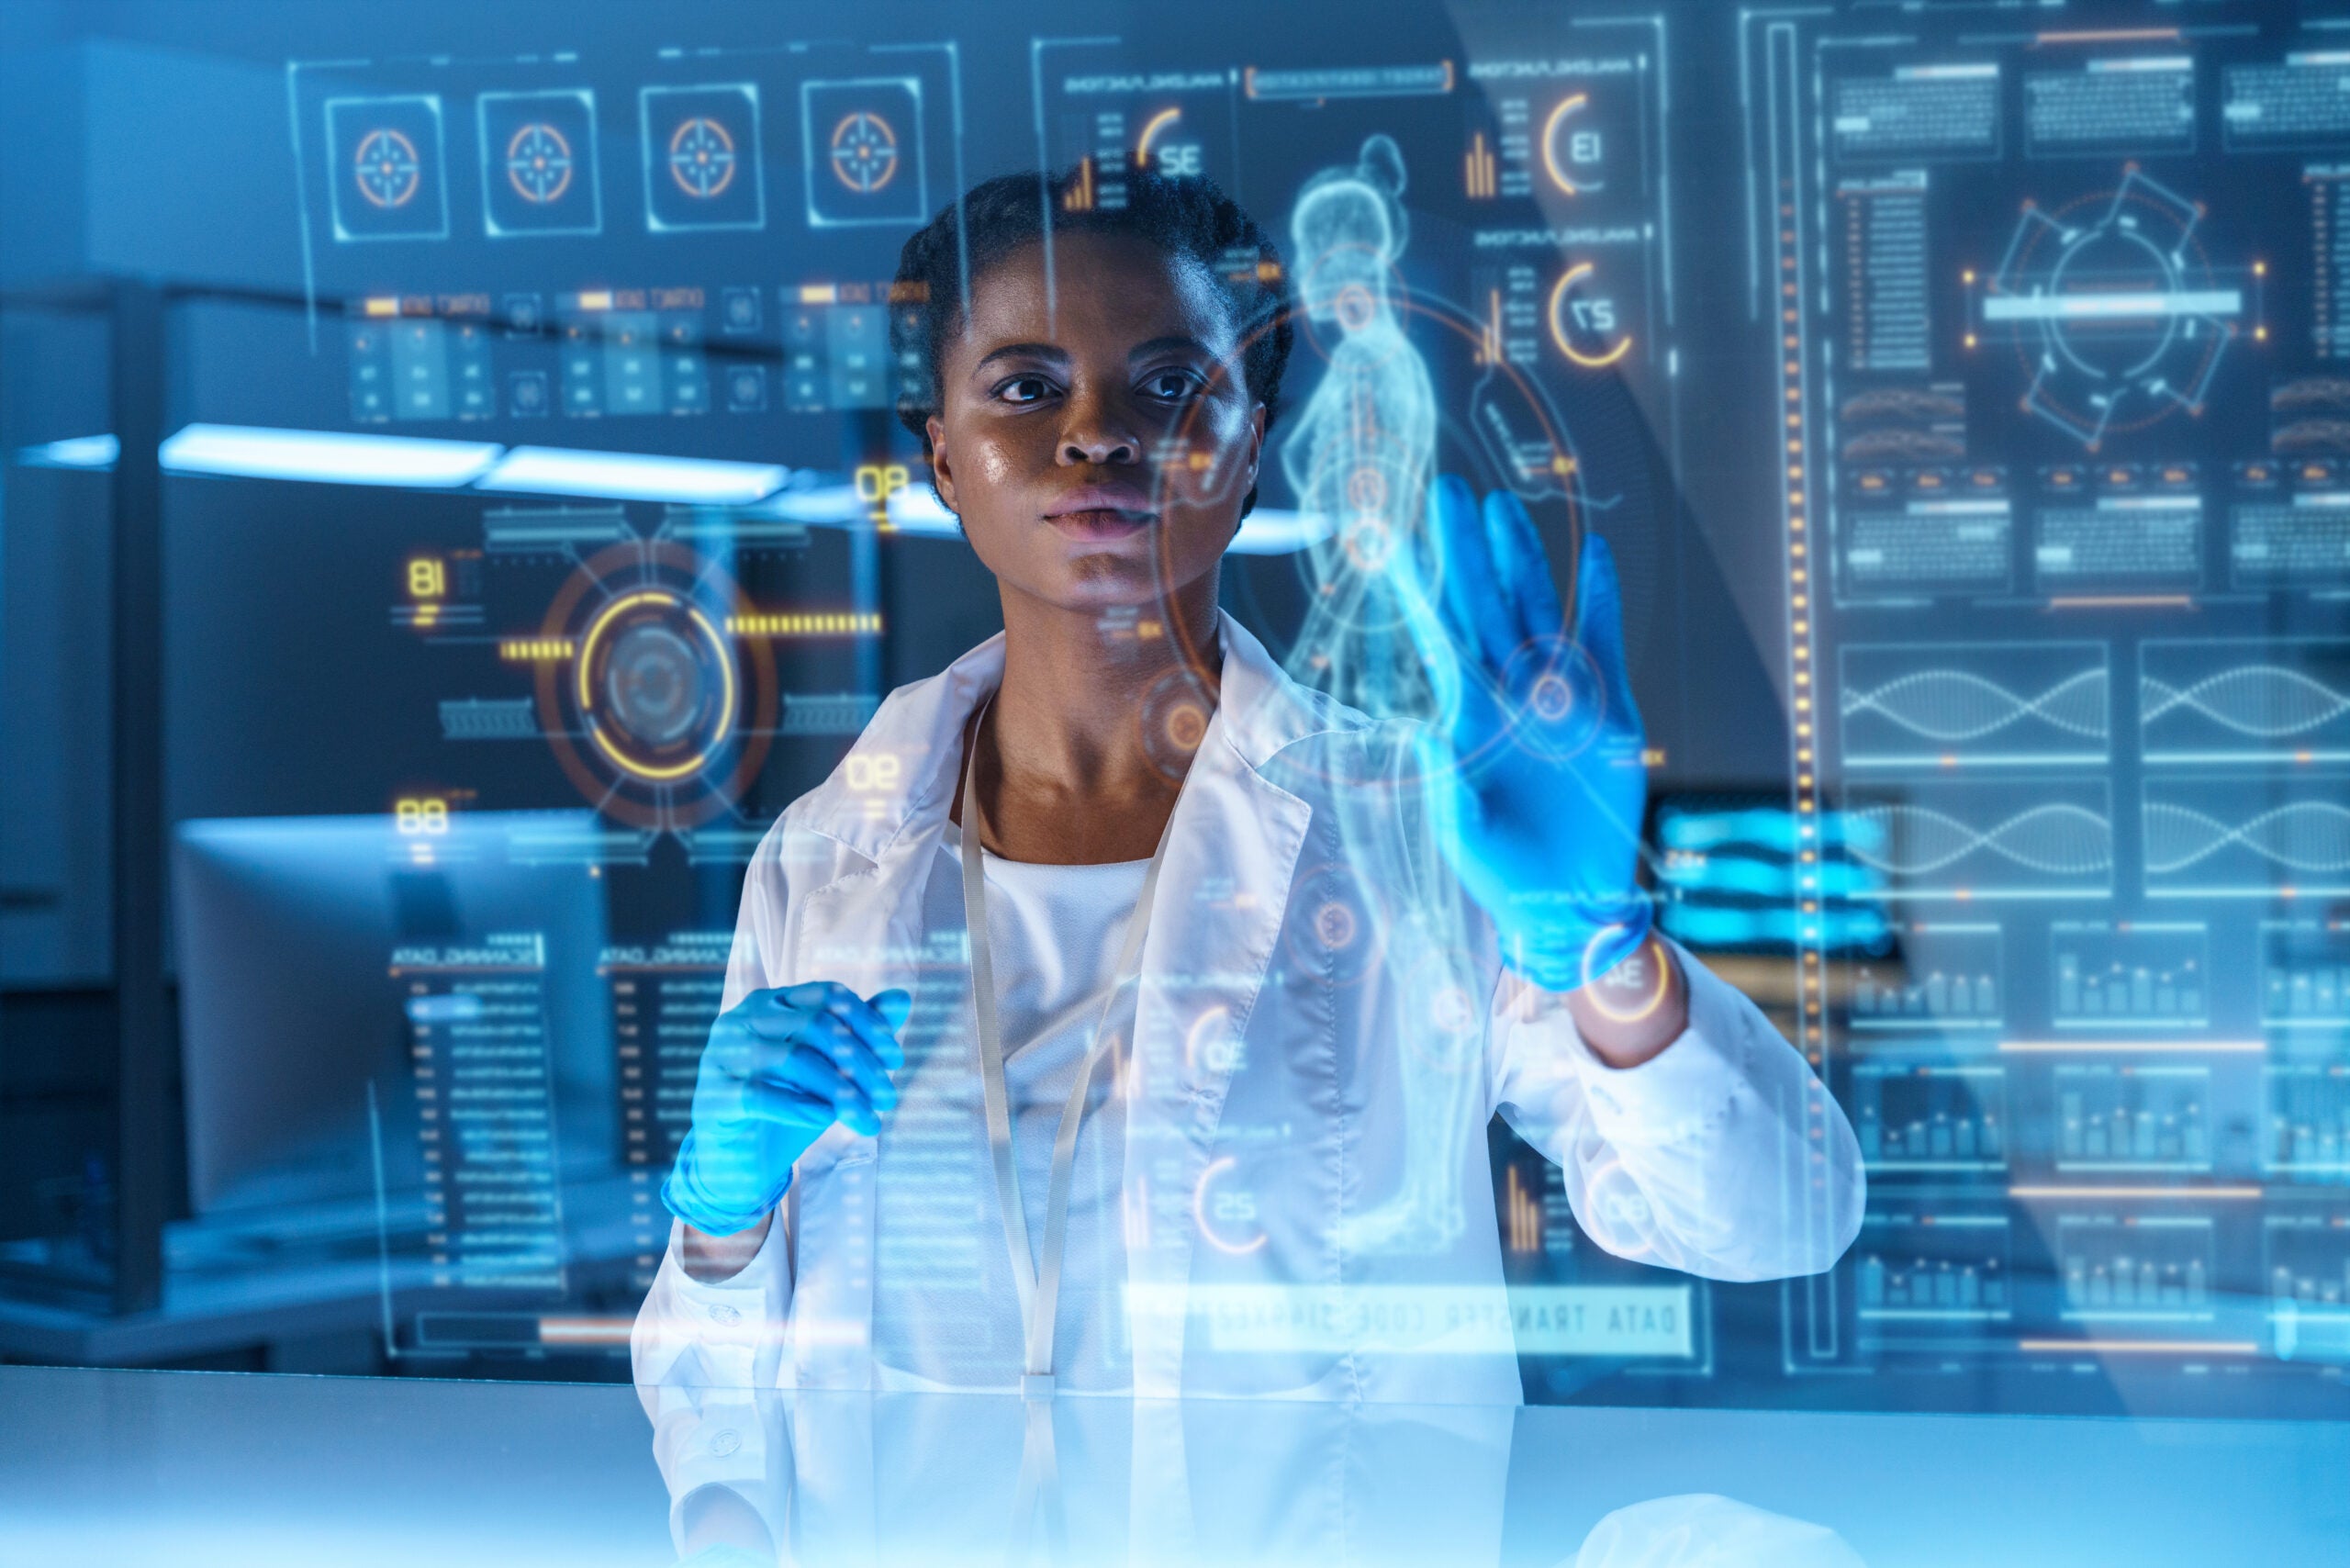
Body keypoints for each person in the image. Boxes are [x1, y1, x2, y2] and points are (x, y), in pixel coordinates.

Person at [632, 167, 1863, 1405]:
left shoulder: (1423, 833)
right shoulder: (821, 858)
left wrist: (1606, 955)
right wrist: (725, 1215)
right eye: (1025, 386)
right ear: (944, 456)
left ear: (1253, 447)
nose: (1097, 433)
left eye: (1173, 384)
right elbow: (708, 1405)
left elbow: (1775, 1222)